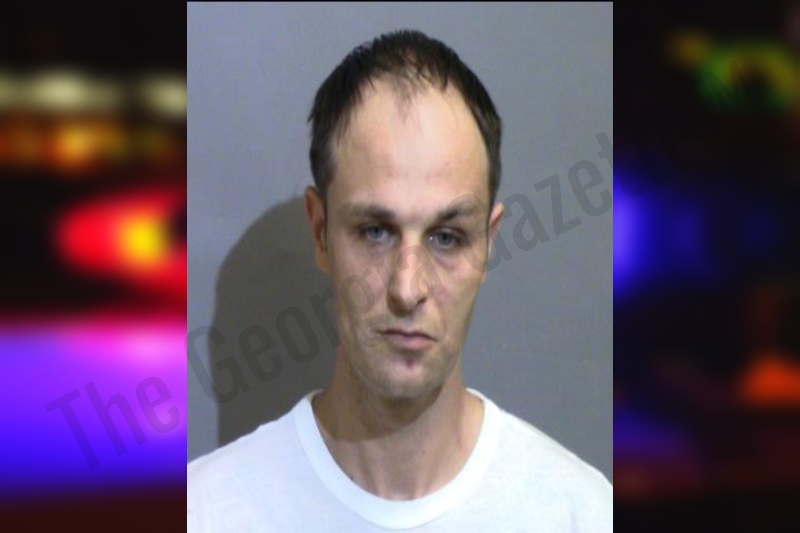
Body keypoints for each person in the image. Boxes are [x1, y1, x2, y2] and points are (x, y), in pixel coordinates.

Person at [188, 29, 612, 532]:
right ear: (320, 232)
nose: (407, 290)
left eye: (447, 238)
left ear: (488, 242)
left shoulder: (581, 514)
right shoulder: (207, 511)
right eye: (375, 231)